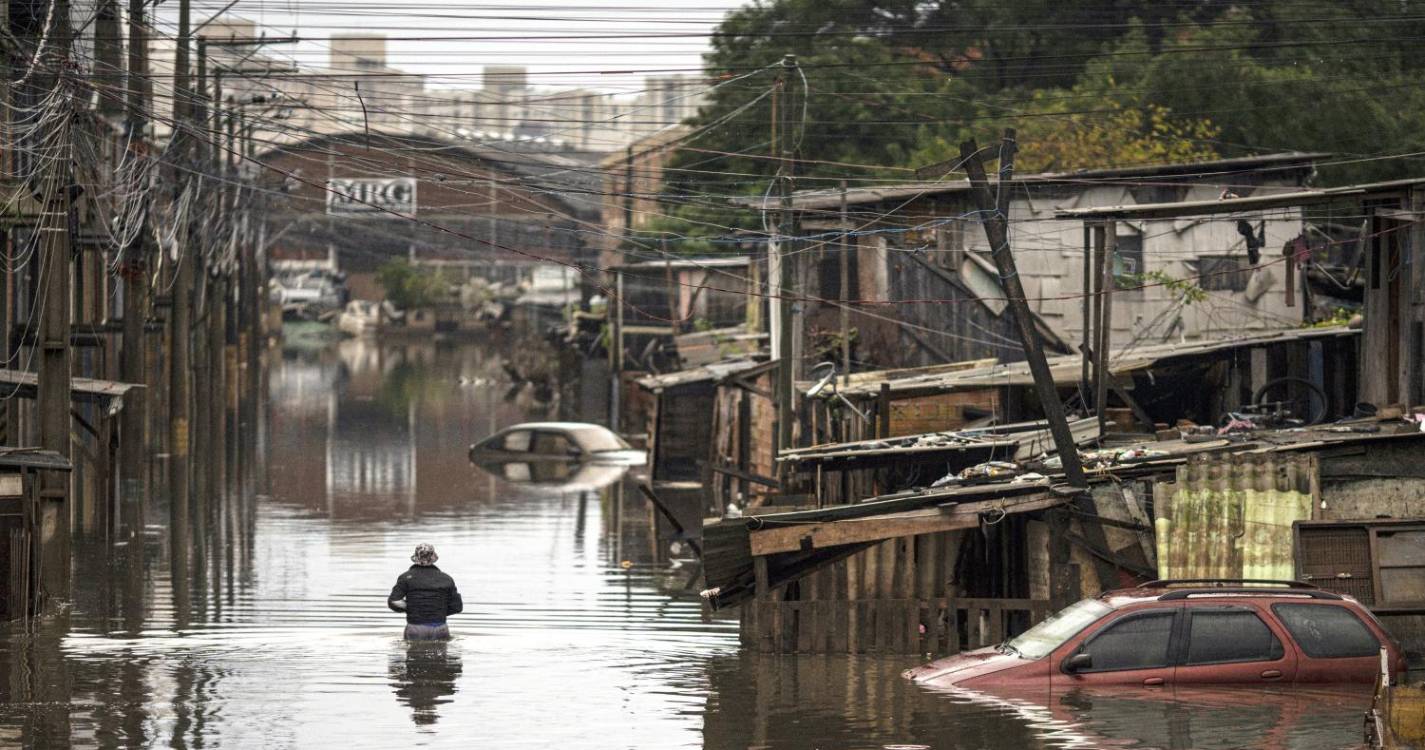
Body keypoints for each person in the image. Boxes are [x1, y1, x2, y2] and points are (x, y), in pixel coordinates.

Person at [388, 543, 463, 640]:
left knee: (414, 654)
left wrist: (413, 608)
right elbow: (457, 607)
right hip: (440, 627)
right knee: (441, 654)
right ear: (434, 558)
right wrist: (438, 611)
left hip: (415, 627)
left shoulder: (406, 578)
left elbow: (394, 601)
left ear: (415, 558)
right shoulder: (446, 579)